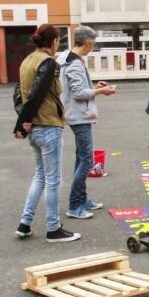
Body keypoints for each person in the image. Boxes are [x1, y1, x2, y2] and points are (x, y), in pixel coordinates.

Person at [12, 24, 80, 242]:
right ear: (53, 42)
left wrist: (23, 120)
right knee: (53, 179)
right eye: (58, 40)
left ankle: (25, 223)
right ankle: (53, 228)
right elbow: (38, 94)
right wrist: (23, 121)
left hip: (34, 129)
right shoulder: (47, 62)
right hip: (47, 126)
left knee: (40, 175)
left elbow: (18, 94)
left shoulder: (27, 61)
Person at [56, 26, 116, 220]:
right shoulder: (74, 63)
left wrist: (94, 87)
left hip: (77, 113)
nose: (93, 48)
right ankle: (74, 205)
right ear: (88, 43)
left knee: (80, 159)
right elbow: (79, 93)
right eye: (94, 44)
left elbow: (80, 88)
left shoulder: (71, 59)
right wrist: (100, 92)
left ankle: (81, 200)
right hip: (79, 115)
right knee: (87, 160)